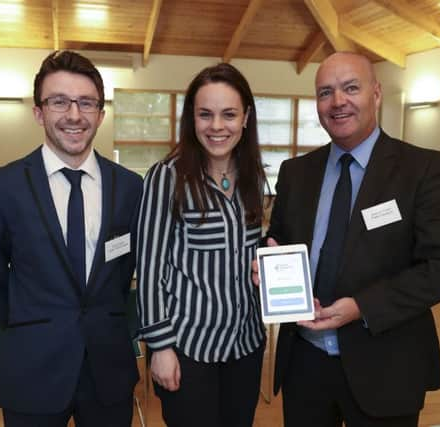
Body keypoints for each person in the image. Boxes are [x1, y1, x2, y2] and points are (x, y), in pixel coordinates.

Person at [253, 52, 440, 426]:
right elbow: (280, 240)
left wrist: (362, 307)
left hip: (385, 364)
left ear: (377, 93)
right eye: (325, 92)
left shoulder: (421, 169)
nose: (338, 102)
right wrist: (267, 263)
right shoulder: (296, 172)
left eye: (351, 88)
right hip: (305, 364)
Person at [0, 51, 143, 427]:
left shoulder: (131, 187)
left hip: (108, 370)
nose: (74, 115)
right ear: (38, 112)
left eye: (86, 102)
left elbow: (126, 268)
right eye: (59, 101)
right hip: (33, 367)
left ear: (101, 113)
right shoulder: (1, 187)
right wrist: (34, 326)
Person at [136, 63, 267, 427]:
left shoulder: (252, 175)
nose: (217, 126)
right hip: (189, 349)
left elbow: (254, 251)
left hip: (246, 343)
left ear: (246, 117)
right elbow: (149, 270)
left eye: (229, 114)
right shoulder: (167, 176)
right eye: (205, 114)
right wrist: (160, 348)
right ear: (191, 118)